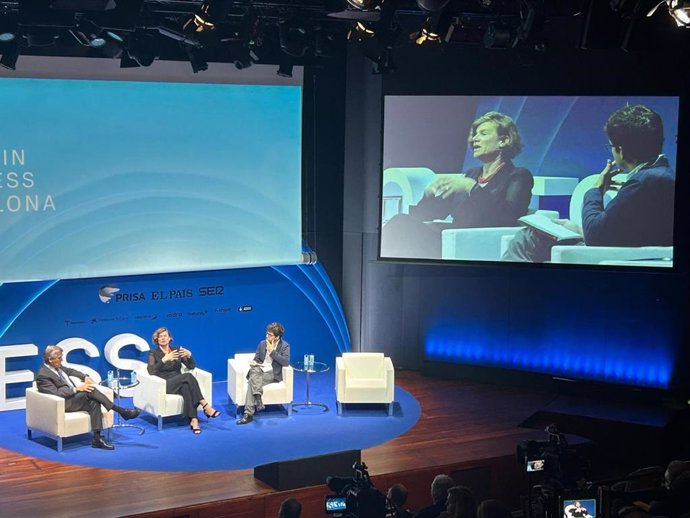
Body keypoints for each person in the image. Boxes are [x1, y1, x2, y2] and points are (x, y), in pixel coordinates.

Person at [503, 104, 675, 262]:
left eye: (611, 147)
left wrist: (597, 189)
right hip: (630, 252)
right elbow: (623, 231)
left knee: (527, 238)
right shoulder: (661, 176)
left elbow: (596, 236)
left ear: (620, 150)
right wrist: (578, 229)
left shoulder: (643, 181)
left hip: (615, 257)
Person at [381, 111, 534, 259]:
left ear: (504, 140)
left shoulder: (519, 176)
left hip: (476, 244)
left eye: (483, 134)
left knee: (400, 229)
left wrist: (471, 188)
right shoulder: (472, 174)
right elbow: (430, 214)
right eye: (475, 134)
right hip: (450, 239)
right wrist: (428, 195)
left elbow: (507, 218)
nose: (475, 139)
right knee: (401, 223)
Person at [35, 345, 140, 450]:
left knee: (94, 402)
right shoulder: (43, 375)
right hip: (64, 403)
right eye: (59, 358)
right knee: (90, 390)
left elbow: (71, 371)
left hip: (73, 398)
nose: (61, 360)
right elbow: (56, 393)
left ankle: (97, 439)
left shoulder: (57, 367)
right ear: (50, 359)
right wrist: (76, 389)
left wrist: (84, 376)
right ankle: (121, 411)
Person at [147, 327, 219, 434]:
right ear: (156, 339)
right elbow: (151, 371)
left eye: (165, 336)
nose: (163, 338)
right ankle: (205, 405)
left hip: (180, 382)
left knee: (186, 387)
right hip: (165, 384)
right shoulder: (153, 353)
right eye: (160, 336)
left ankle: (194, 420)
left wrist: (189, 355)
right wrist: (164, 360)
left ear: (170, 338)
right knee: (188, 377)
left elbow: (191, 366)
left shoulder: (176, 350)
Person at [237, 322, 291, 425]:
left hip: (273, 373)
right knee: (254, 371)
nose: (267, 336)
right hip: (260, 370)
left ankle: (248, 414)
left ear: (277, 337)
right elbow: (256, 358)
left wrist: (272, 352)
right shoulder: (262, 343)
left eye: (270, 335)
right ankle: (258, 399)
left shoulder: (285, 346)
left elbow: (286, 362)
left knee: (251, 382)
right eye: (267, 333)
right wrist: (254, 362)